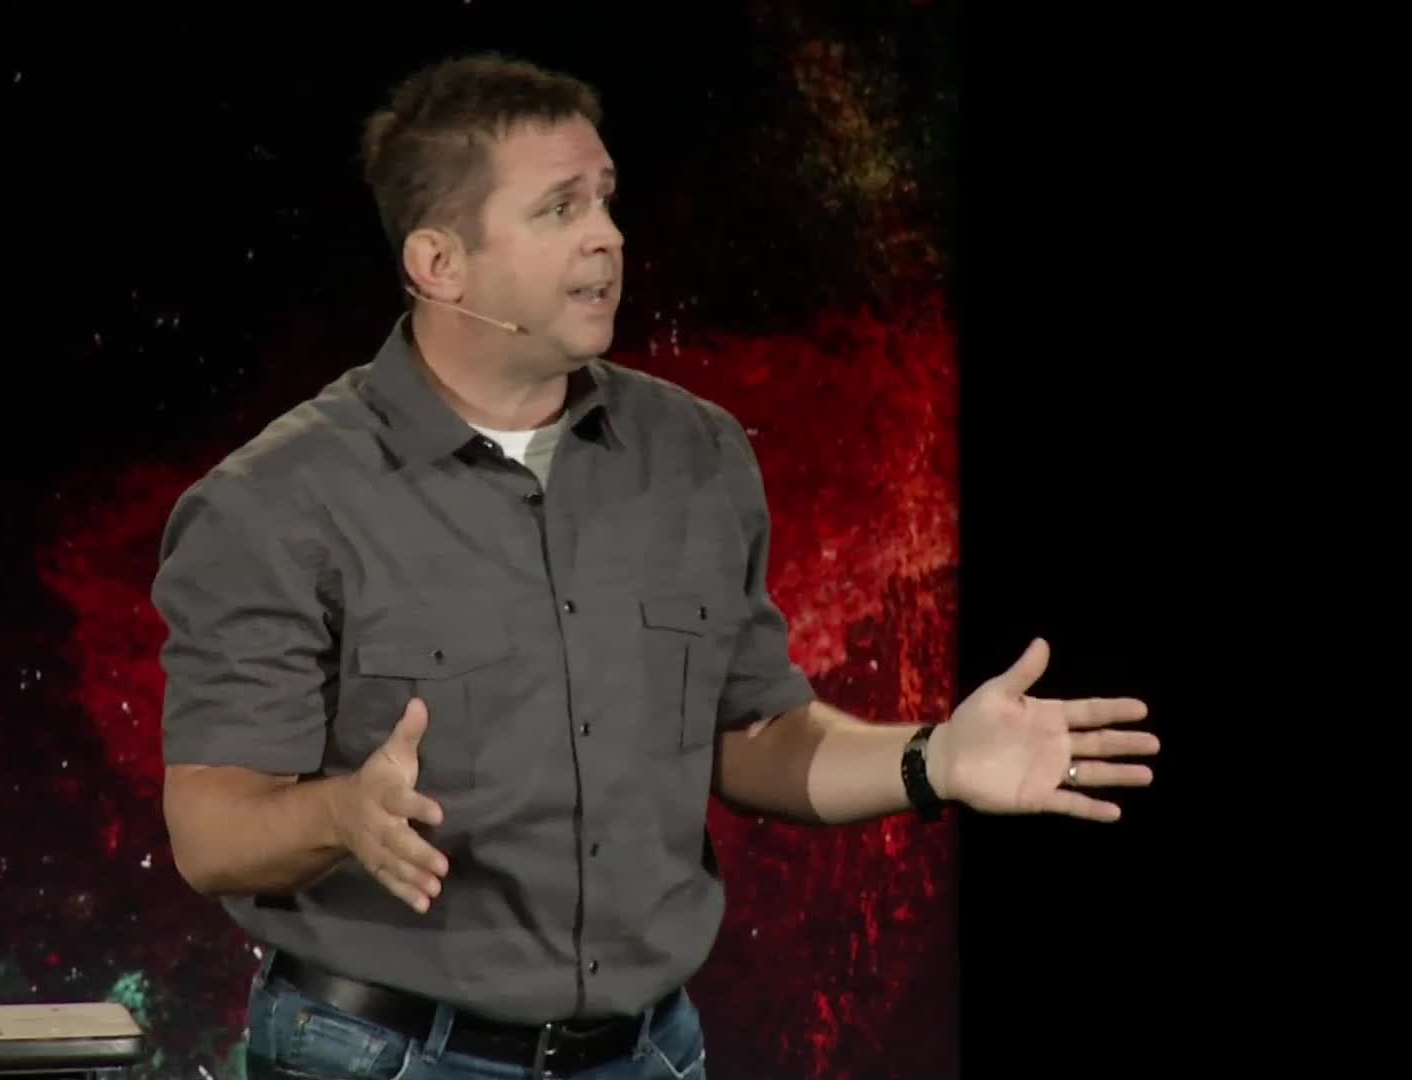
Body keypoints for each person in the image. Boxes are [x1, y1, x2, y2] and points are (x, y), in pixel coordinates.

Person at [152, 52, 1158, 1080]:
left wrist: (933, 761)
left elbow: (751, 735)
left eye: (606, 200)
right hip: (383, 1052)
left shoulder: (696, 452)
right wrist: (339, 816)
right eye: (559, 208)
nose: (608, 236)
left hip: (651, 1053)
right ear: (439, 262)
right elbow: (211, 830)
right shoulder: (276, 502)